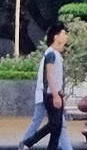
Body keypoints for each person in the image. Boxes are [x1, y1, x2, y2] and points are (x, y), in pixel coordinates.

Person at [18, 22, 70, 150]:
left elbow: (57, 77)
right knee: (54, 124)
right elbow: (50, 75)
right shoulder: (51, 54)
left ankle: (27, 144)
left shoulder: (56, 54)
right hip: (50, 95)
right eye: (63, 33)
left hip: (55, 94)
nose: (66, 36)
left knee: (57, 128)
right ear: (56, 37)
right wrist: (56, 95)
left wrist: (60, 94)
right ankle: (27, 143)